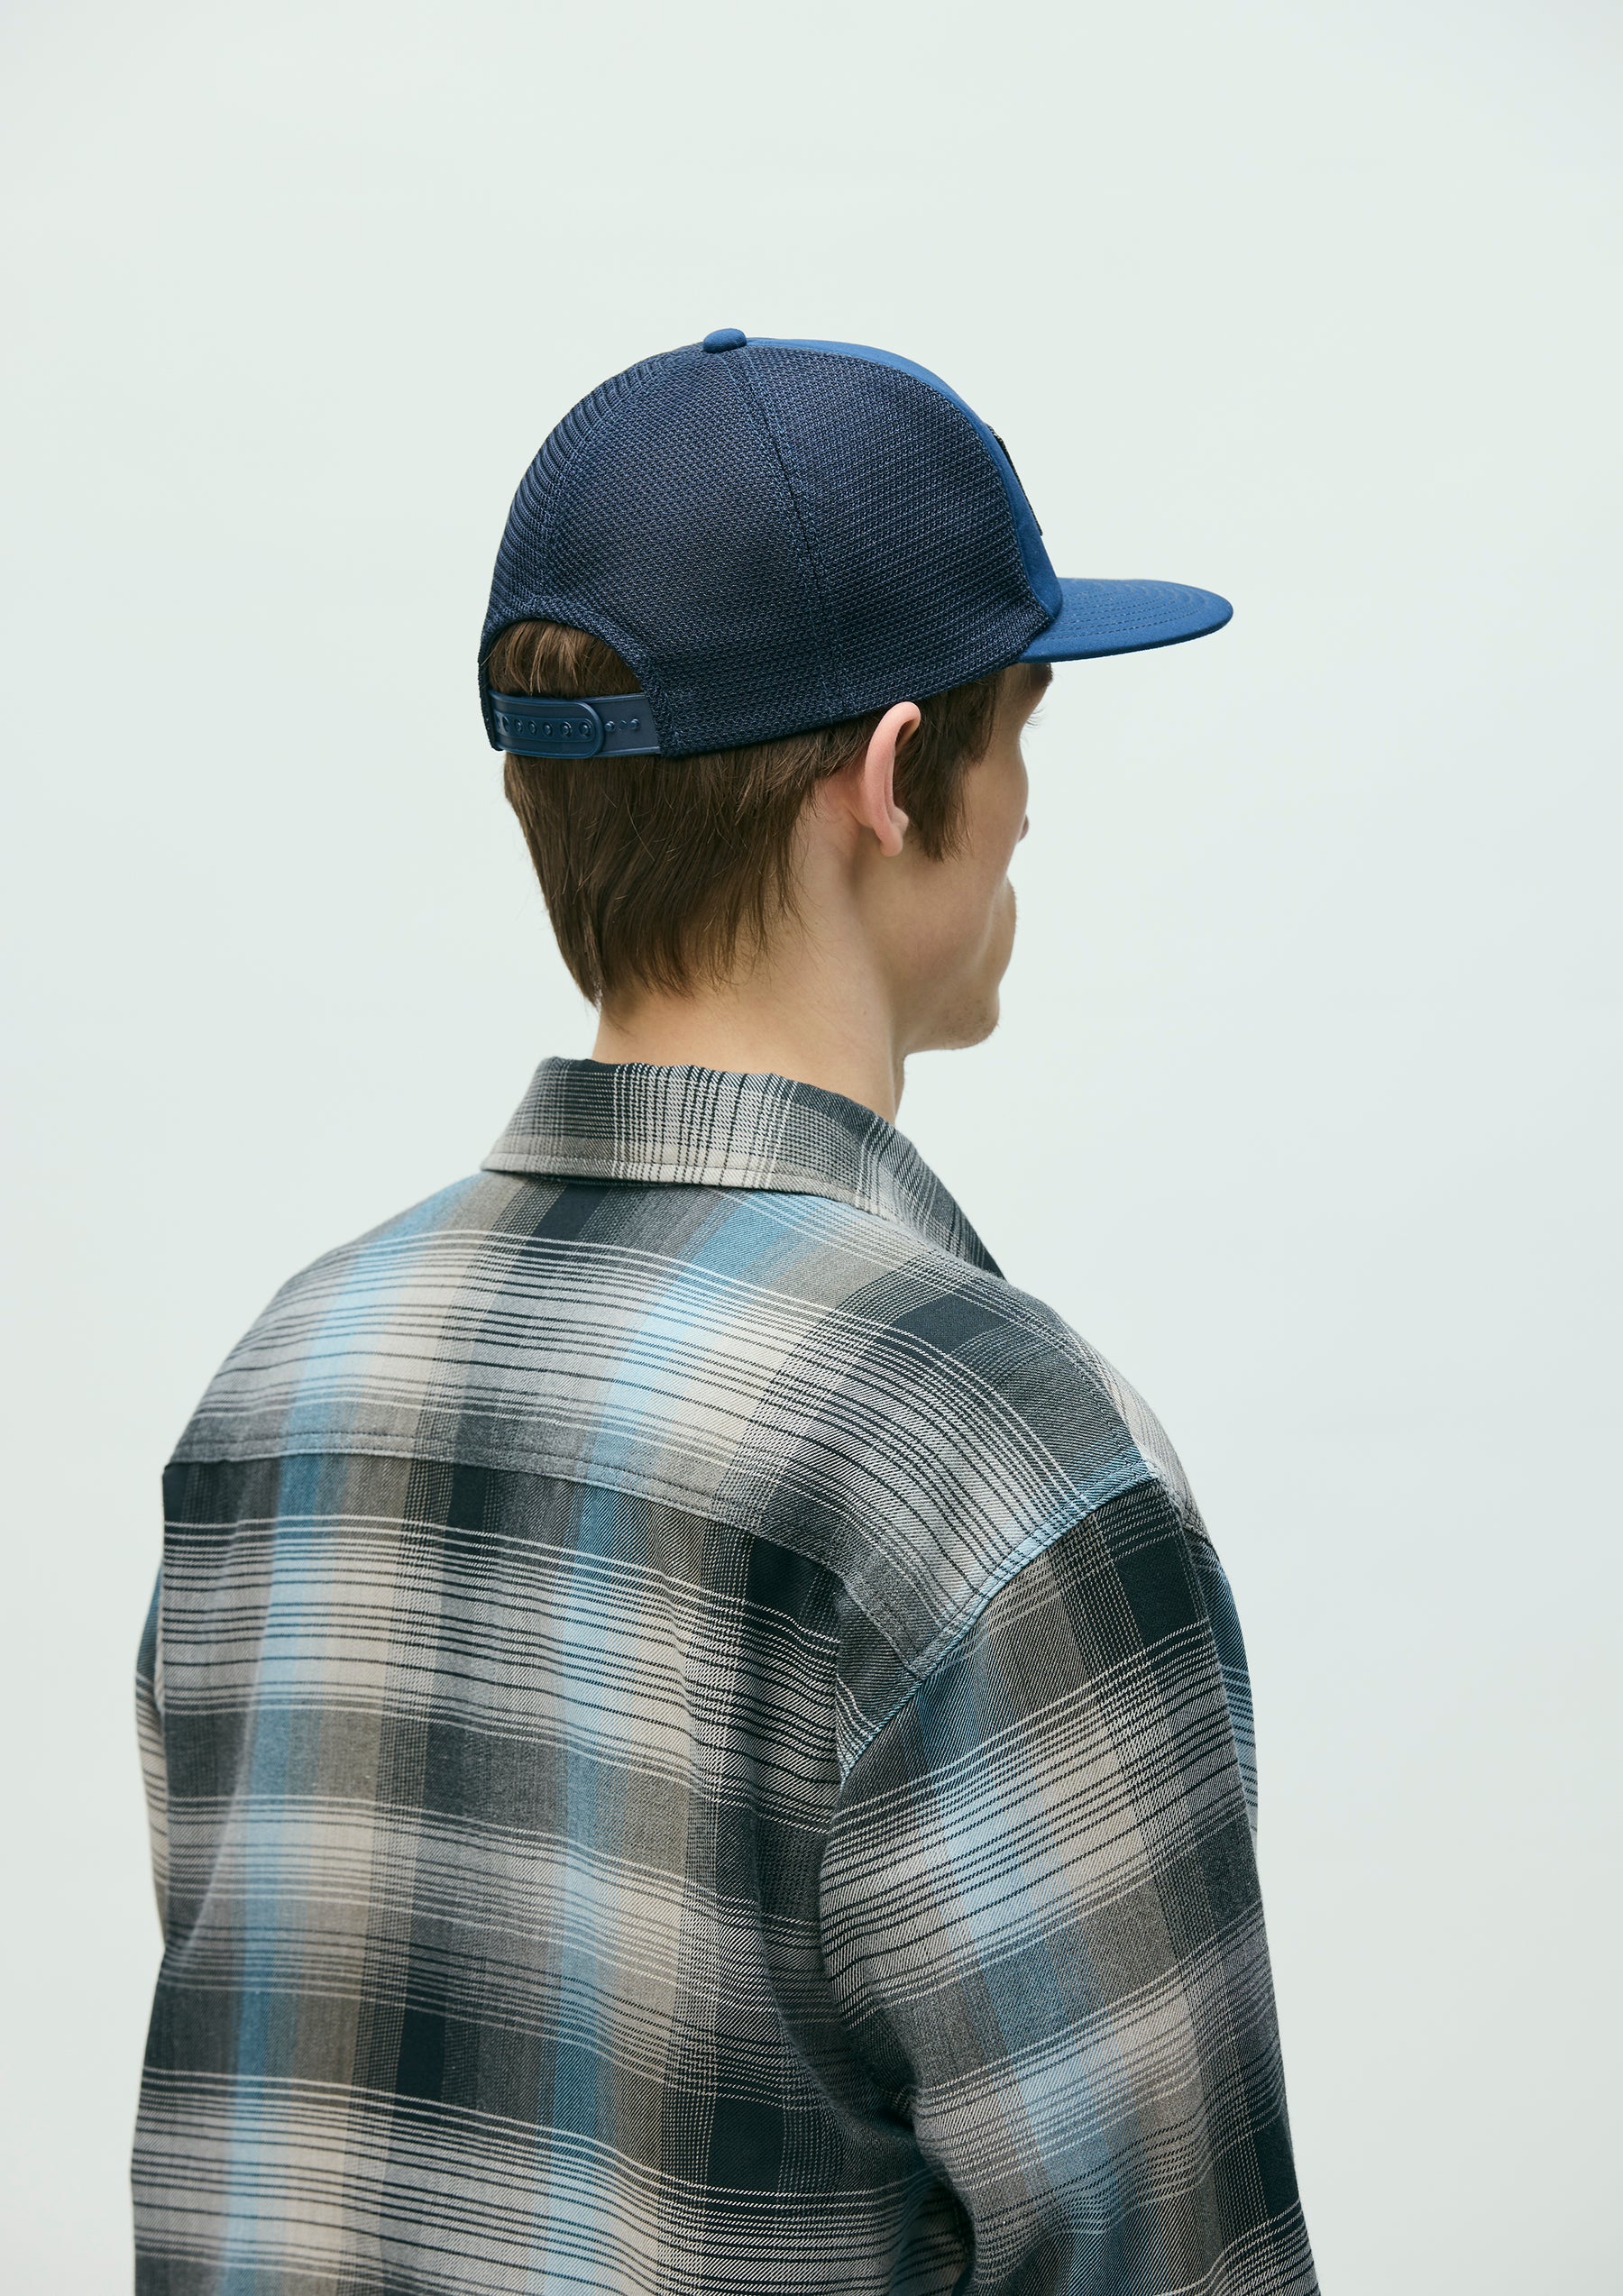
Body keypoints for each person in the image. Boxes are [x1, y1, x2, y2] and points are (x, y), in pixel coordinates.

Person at [133, 329, 1317, 2295]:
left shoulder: (278, 1393)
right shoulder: (995, 1461)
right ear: (894, 778)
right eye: (1022, 727)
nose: (1031, 808)